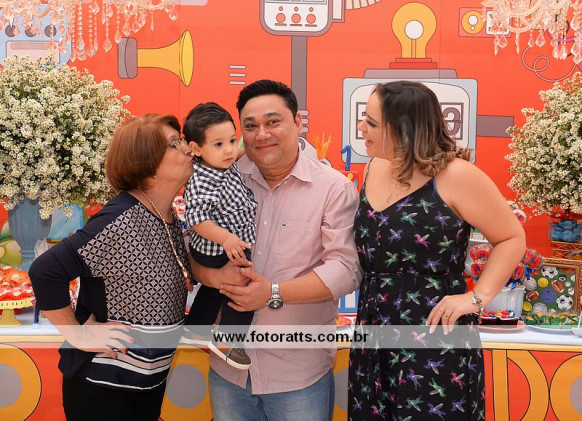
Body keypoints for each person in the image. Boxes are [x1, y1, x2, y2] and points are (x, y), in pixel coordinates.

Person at [348, 81, 526, 420]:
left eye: (371, 122)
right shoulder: (373, 167)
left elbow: (511, 238)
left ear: (403, 129)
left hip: (435, 338)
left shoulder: (458, 176)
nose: (361, 128)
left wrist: (476, 298)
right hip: (373, 333)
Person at [188, 80, 362, 421]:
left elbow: (346, 270)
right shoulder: (224, 176)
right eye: (251, 126)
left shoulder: (333, 188)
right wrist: (215, 276)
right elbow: (192, 250)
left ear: (297, 122)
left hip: (298, 372)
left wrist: (273, 293)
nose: (262, 134)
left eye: (273, 122)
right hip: (228, 373)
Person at [29, 114, 194, 421]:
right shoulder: (122, 217)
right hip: (104, 385)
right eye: (174, 143)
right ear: (146, 162)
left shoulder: (166, 215)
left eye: (181, 139)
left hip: (147, 384)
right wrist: (78, 335)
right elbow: (45, 271)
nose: (187, 148)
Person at [182, 102, 257, 370]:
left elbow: (235, 153)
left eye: (232, 140)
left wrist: (249, 147)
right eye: (218, 144)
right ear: (196, 149)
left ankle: (195, 328)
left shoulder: (220, 162)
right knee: (243, 287)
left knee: (214, 289)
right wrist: (225, 239)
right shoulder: (202, 178)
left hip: (224, 244)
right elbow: (197, 219)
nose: (229, 150)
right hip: (218, 248)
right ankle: (228, 342)